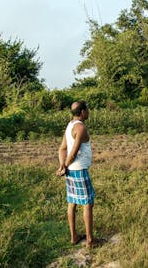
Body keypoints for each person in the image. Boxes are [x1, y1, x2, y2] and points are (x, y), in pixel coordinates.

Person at [57, 100, 96, 247]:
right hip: (79, 170)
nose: (89, 111)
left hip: (71, 171)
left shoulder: (70, 126)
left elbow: (62, 149)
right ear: (82, 112)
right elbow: (72, 153)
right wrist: (64, 167)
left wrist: (63, 166)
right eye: (87, 109)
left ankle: (74, 237)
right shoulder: (80, 128)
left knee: (72, 202)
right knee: (88, 203)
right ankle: (90, 241)